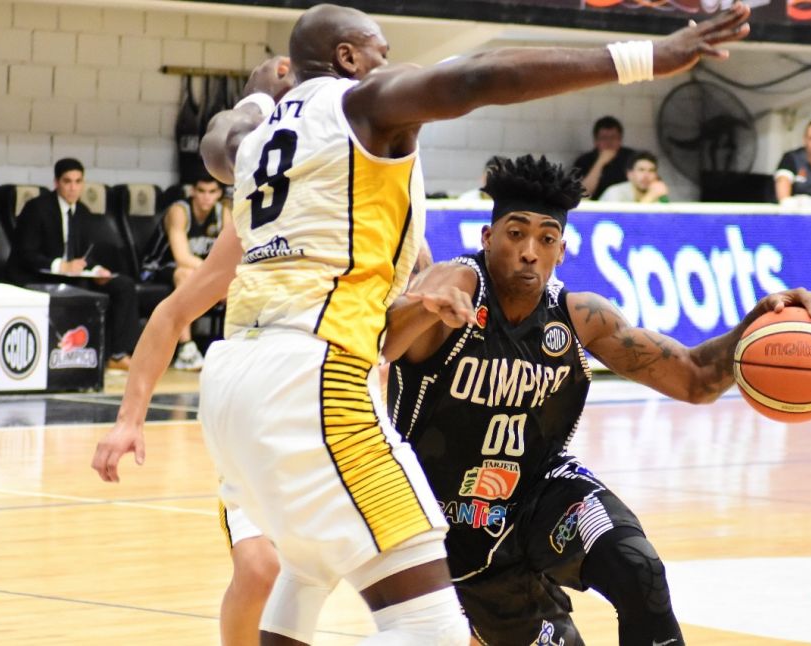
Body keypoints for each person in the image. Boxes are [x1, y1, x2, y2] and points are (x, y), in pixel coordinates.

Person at [91, 3, 754, 644]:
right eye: (379, 52)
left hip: (232, 380)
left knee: (305, 566)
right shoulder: (362, 106)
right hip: (313, 373)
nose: (389, 65)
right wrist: (646, 58)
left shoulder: (257, 139)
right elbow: (478, 76)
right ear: (347, 59)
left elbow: (217, 141)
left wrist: (262, 96)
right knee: (431, 628)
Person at [382, 154, 811, 645]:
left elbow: (695, 379)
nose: (529, 252)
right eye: (515, 233)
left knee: (637, 568)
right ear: (487, 237)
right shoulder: (456, 284)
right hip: (447, 522)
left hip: (540, 491)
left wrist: (754, 326)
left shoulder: (579, 315)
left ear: (562, 251)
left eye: (546, 239)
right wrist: (423, 307)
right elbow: (387, 343)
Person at [8, 158, 139, 370]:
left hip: (73, 276)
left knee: (123, 285)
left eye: (78, 182)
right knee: (82, 288)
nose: (73, 188)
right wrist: (61, 266)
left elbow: (86, 255)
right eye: (67, 181)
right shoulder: (37, 208)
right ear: (56, 182)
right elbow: (25, 254)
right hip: (37, 274)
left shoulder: (83, 212)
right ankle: (74, 354)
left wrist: (97, 270)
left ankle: (117, 353)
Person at [141, 174, 228, 370]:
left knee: (236, 278)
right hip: (158, 268)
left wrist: (223, 278)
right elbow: (181, 257)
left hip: (200, 270)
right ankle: (185, 348)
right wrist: (214, 276)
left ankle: (234, 345)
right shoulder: (179, 211)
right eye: (201, 191)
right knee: (185, 273)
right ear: (193, 191)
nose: (206, 197)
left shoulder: (223, 213)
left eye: (212, 192)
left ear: (219, 194)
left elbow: (228, 255)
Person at [572, 116, 637, 200]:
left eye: (613, 137)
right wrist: (600, 162)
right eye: (604, 138)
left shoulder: (632, 158)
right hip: (594, 206)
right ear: (596, 141)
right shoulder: (584, 161)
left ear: (620, 140)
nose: (609, 142)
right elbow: (582, 194)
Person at [599, 151, 670, 203]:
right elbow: (623, 219)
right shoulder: (614, 192)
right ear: (629, 174)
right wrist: (650, 197)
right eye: (641, 170)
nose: (646, 175)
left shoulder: (657, 195)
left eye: (651, 171)